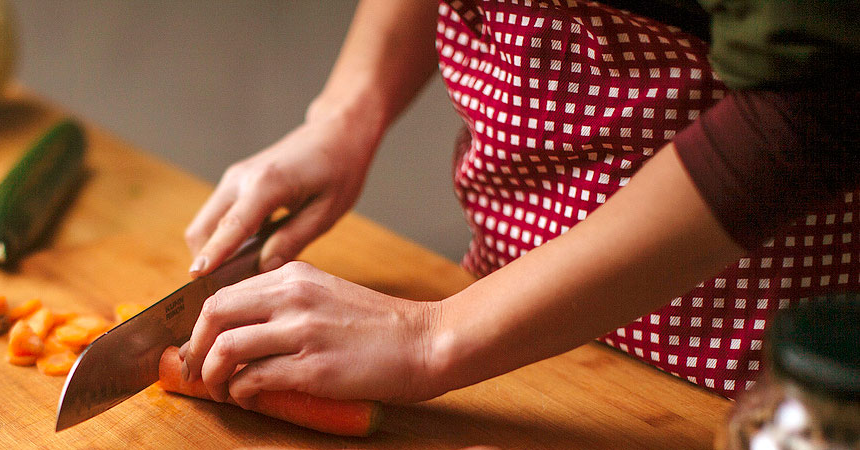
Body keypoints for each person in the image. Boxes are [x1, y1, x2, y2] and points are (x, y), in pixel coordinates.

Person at [177, 0, 860, 406]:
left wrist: (430, 339)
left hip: (729, 381)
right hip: (503, 350)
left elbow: (812, 99)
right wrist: (347, 110)